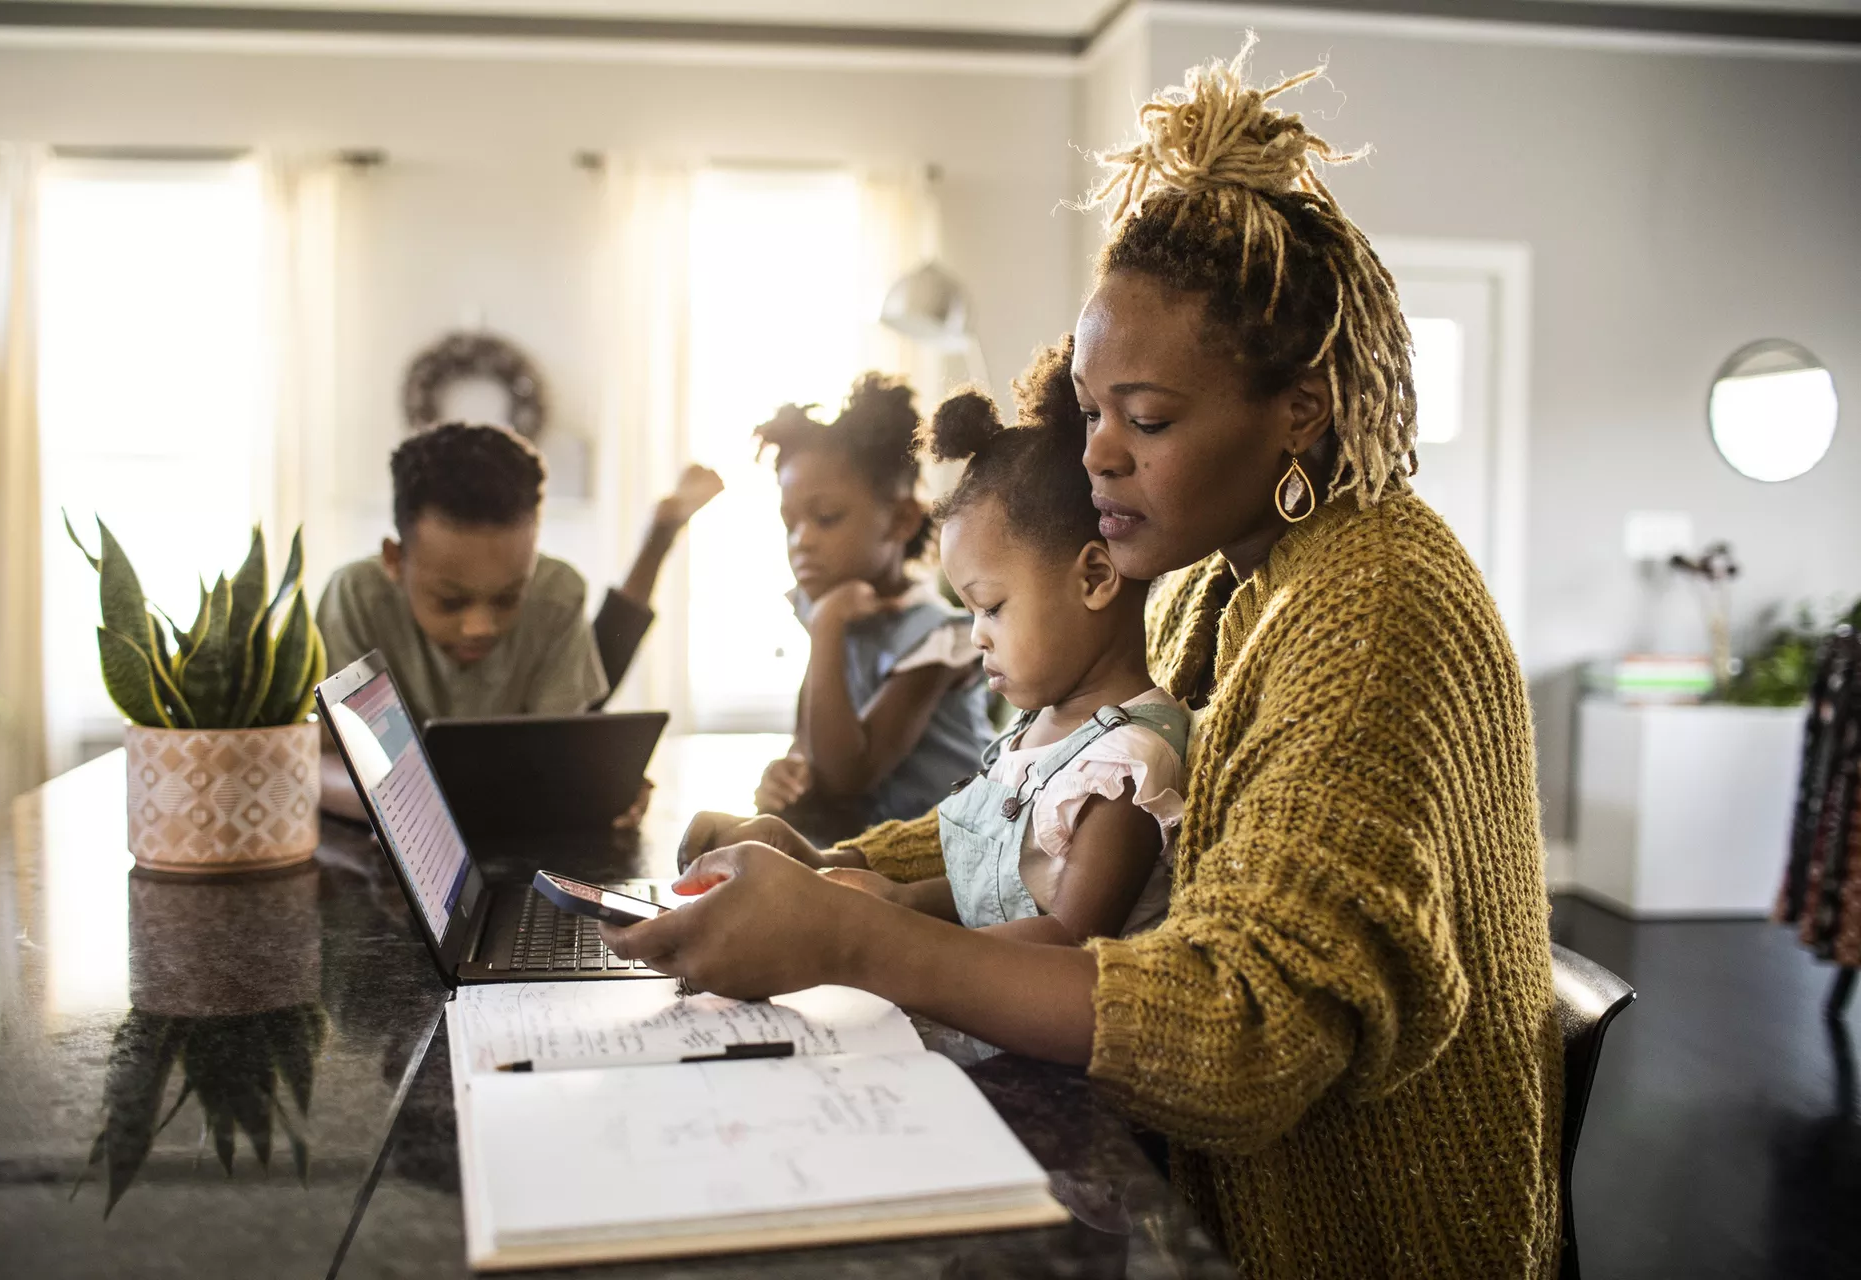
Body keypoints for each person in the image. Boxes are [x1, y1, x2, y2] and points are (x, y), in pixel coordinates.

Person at [603, 43, 1559, 1280]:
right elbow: (1040, 789)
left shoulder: (1373, 609)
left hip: (1349, 1230)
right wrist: (832, 872)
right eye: (1094, 409)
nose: (1099, 455)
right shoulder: (1228, 571)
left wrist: (854, 939)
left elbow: (1245, 1031)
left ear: (1302, 412)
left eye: (1148, 419)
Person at [827, 366, 1190, 967]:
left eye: (992, 608)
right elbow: (998, 891)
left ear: (1095, 578)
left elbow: (1064, 941)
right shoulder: (1038, 731)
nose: (977, 637)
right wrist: (894, 899)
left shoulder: (1126, 765)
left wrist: (877, 938)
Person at [316, 421, 721, 819]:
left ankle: (658, 539)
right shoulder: (354, 596)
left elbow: (563, 749)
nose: (481, 626)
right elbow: (314, 762)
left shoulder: (557, 589)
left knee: (594, 689)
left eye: (509, 597)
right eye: (451, 601)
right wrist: (405, 806)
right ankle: (659, 536)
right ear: (394, 560)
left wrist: (599, 784)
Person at [751, 374, 992, 835]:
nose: (801, 542)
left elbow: (847, 777)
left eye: (826, 518)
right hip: (865, 850)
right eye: (790, 523)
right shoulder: (826, 611)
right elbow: (812, 750)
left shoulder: (938, 637)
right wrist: (787, 774)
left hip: (947, 856)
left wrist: (826, 628)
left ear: (900, 520)